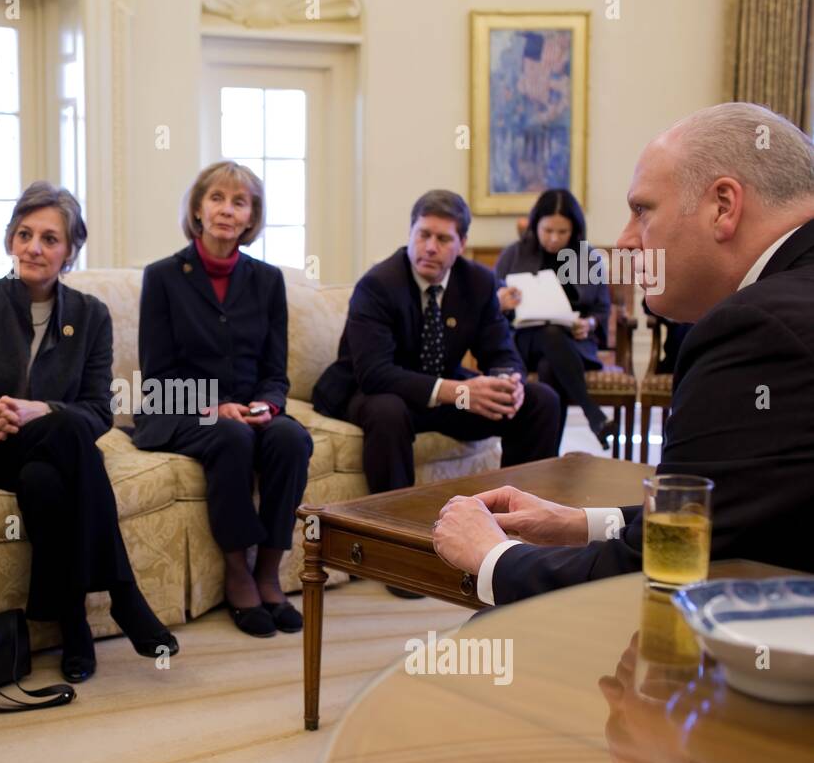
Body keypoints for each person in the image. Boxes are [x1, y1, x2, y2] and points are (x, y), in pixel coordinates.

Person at [432, 103, 814, 606]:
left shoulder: (754, 329)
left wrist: (492, 556)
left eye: (642, 209)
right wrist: (577, 521)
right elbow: (733, 510)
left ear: (723, 205)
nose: (626, 241)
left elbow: (658, 575)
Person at [0, 182, 178, 683]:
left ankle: (73, 625)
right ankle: (124, 596)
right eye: (24, 234)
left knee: (46, 477)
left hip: (49, 455)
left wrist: (40, 410)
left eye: (50, 239)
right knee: (66, 435)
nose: (34, 247)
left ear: (71, 251)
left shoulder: (91, 315)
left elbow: (98, 410)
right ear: (10, 241)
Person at [133, 161, 313, 638]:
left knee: (291, 439)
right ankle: (238, 572)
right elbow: (157, 376)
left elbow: (275, 372)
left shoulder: (268, 281)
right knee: (230, 434)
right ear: (197, 208)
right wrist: (212, 408)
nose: (226, 211)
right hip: (177, 407)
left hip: (248, 409)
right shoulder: (163, 277)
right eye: (217, 198)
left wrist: (268, 407)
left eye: (239, 202)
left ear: (252, 217)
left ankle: (269, 571)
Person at [312, 189, 561, 497]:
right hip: (375, 391)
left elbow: (501, 351)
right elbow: (375, 373)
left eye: (442, 239)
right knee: (387, 411)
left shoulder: (478, 283)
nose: (430, 248)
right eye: (423, 235)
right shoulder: (378, 285)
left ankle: (519, 515)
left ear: (462, 245)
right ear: (410, 233)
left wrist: (508, 381)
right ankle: (393, 528)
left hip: (445, 395)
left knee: (541, 401)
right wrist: (458, 391)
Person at [495, 189, 617, 445]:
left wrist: (589, 323)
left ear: (575, 230)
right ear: (534, 225)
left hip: (573, 343)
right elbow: (488, 308)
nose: (553, 239)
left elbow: (601, 310)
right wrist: (501, 302)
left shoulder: (588, 258)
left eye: (562, 232)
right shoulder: (513, 255)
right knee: (548, 333)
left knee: (549, 367)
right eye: (547, 230)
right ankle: (592, 413)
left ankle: (548, 455)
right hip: (522, 341)